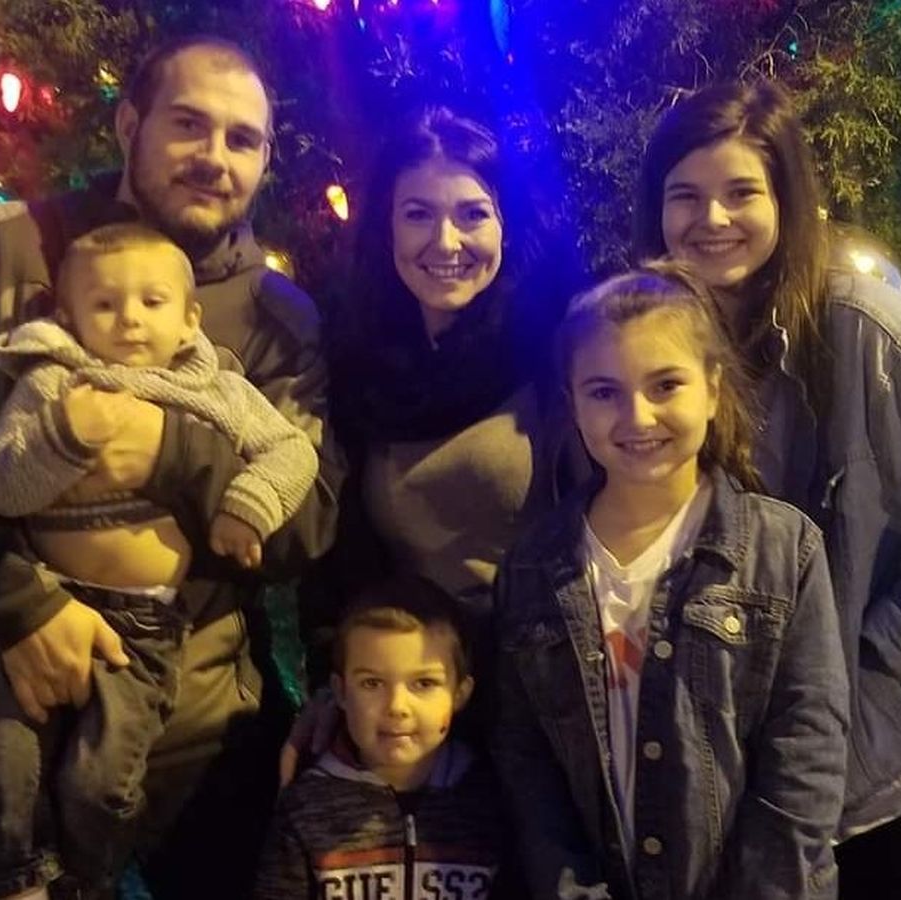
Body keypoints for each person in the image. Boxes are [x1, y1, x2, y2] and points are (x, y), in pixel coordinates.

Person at [0, 34, 340, 900]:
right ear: (130, 123)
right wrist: (21, 606)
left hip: (202, 731)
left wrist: (171, 453)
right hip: (12, 696)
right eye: (188, 124)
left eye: (243, 139)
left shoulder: (278, 319)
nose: (215, 157)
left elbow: (306, 520)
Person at [632, 79, 901, 900]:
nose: (712, 219)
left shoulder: (867, 330)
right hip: (779, 782)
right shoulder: (658, 354)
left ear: (786, 199)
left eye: (741, 192)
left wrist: (875, 679)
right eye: (685, 196)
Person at [0, 222, 320, 899]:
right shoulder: (50, 384)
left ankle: (86, 881)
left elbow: (293, 451)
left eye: (152, 302)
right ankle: (19, 875)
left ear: (190, 318)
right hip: (46, 608)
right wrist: (65, 437)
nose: (129, 318)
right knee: (7, 759)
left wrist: (246, 503)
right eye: (104, 304)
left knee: (99, 780)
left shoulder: (217, 390)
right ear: (67, 317)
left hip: (144, 626)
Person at [492, 262, 849, 900]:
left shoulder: (783, 551)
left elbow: (805, 758)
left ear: (712, 389)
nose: (637, 416)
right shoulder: (530, 568)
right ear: (572, 403)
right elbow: (528, 768)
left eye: (665, 385)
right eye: (604, 392)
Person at [287, 105, 584, 769]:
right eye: (418, 214)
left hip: (545, 693)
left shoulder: (552, 349)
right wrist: (336, 677)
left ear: (506, 224)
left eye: (473, 214)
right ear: (386, 226)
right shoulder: (358, 359)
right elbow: (338, 548)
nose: (445, 242)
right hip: (410, 700)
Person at [255, 574, 517, 899]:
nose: (396, 707)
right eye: (372, 683)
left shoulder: (490, 799)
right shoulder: (304, 807)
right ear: (340, 692)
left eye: (423, 683)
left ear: (460, 694)